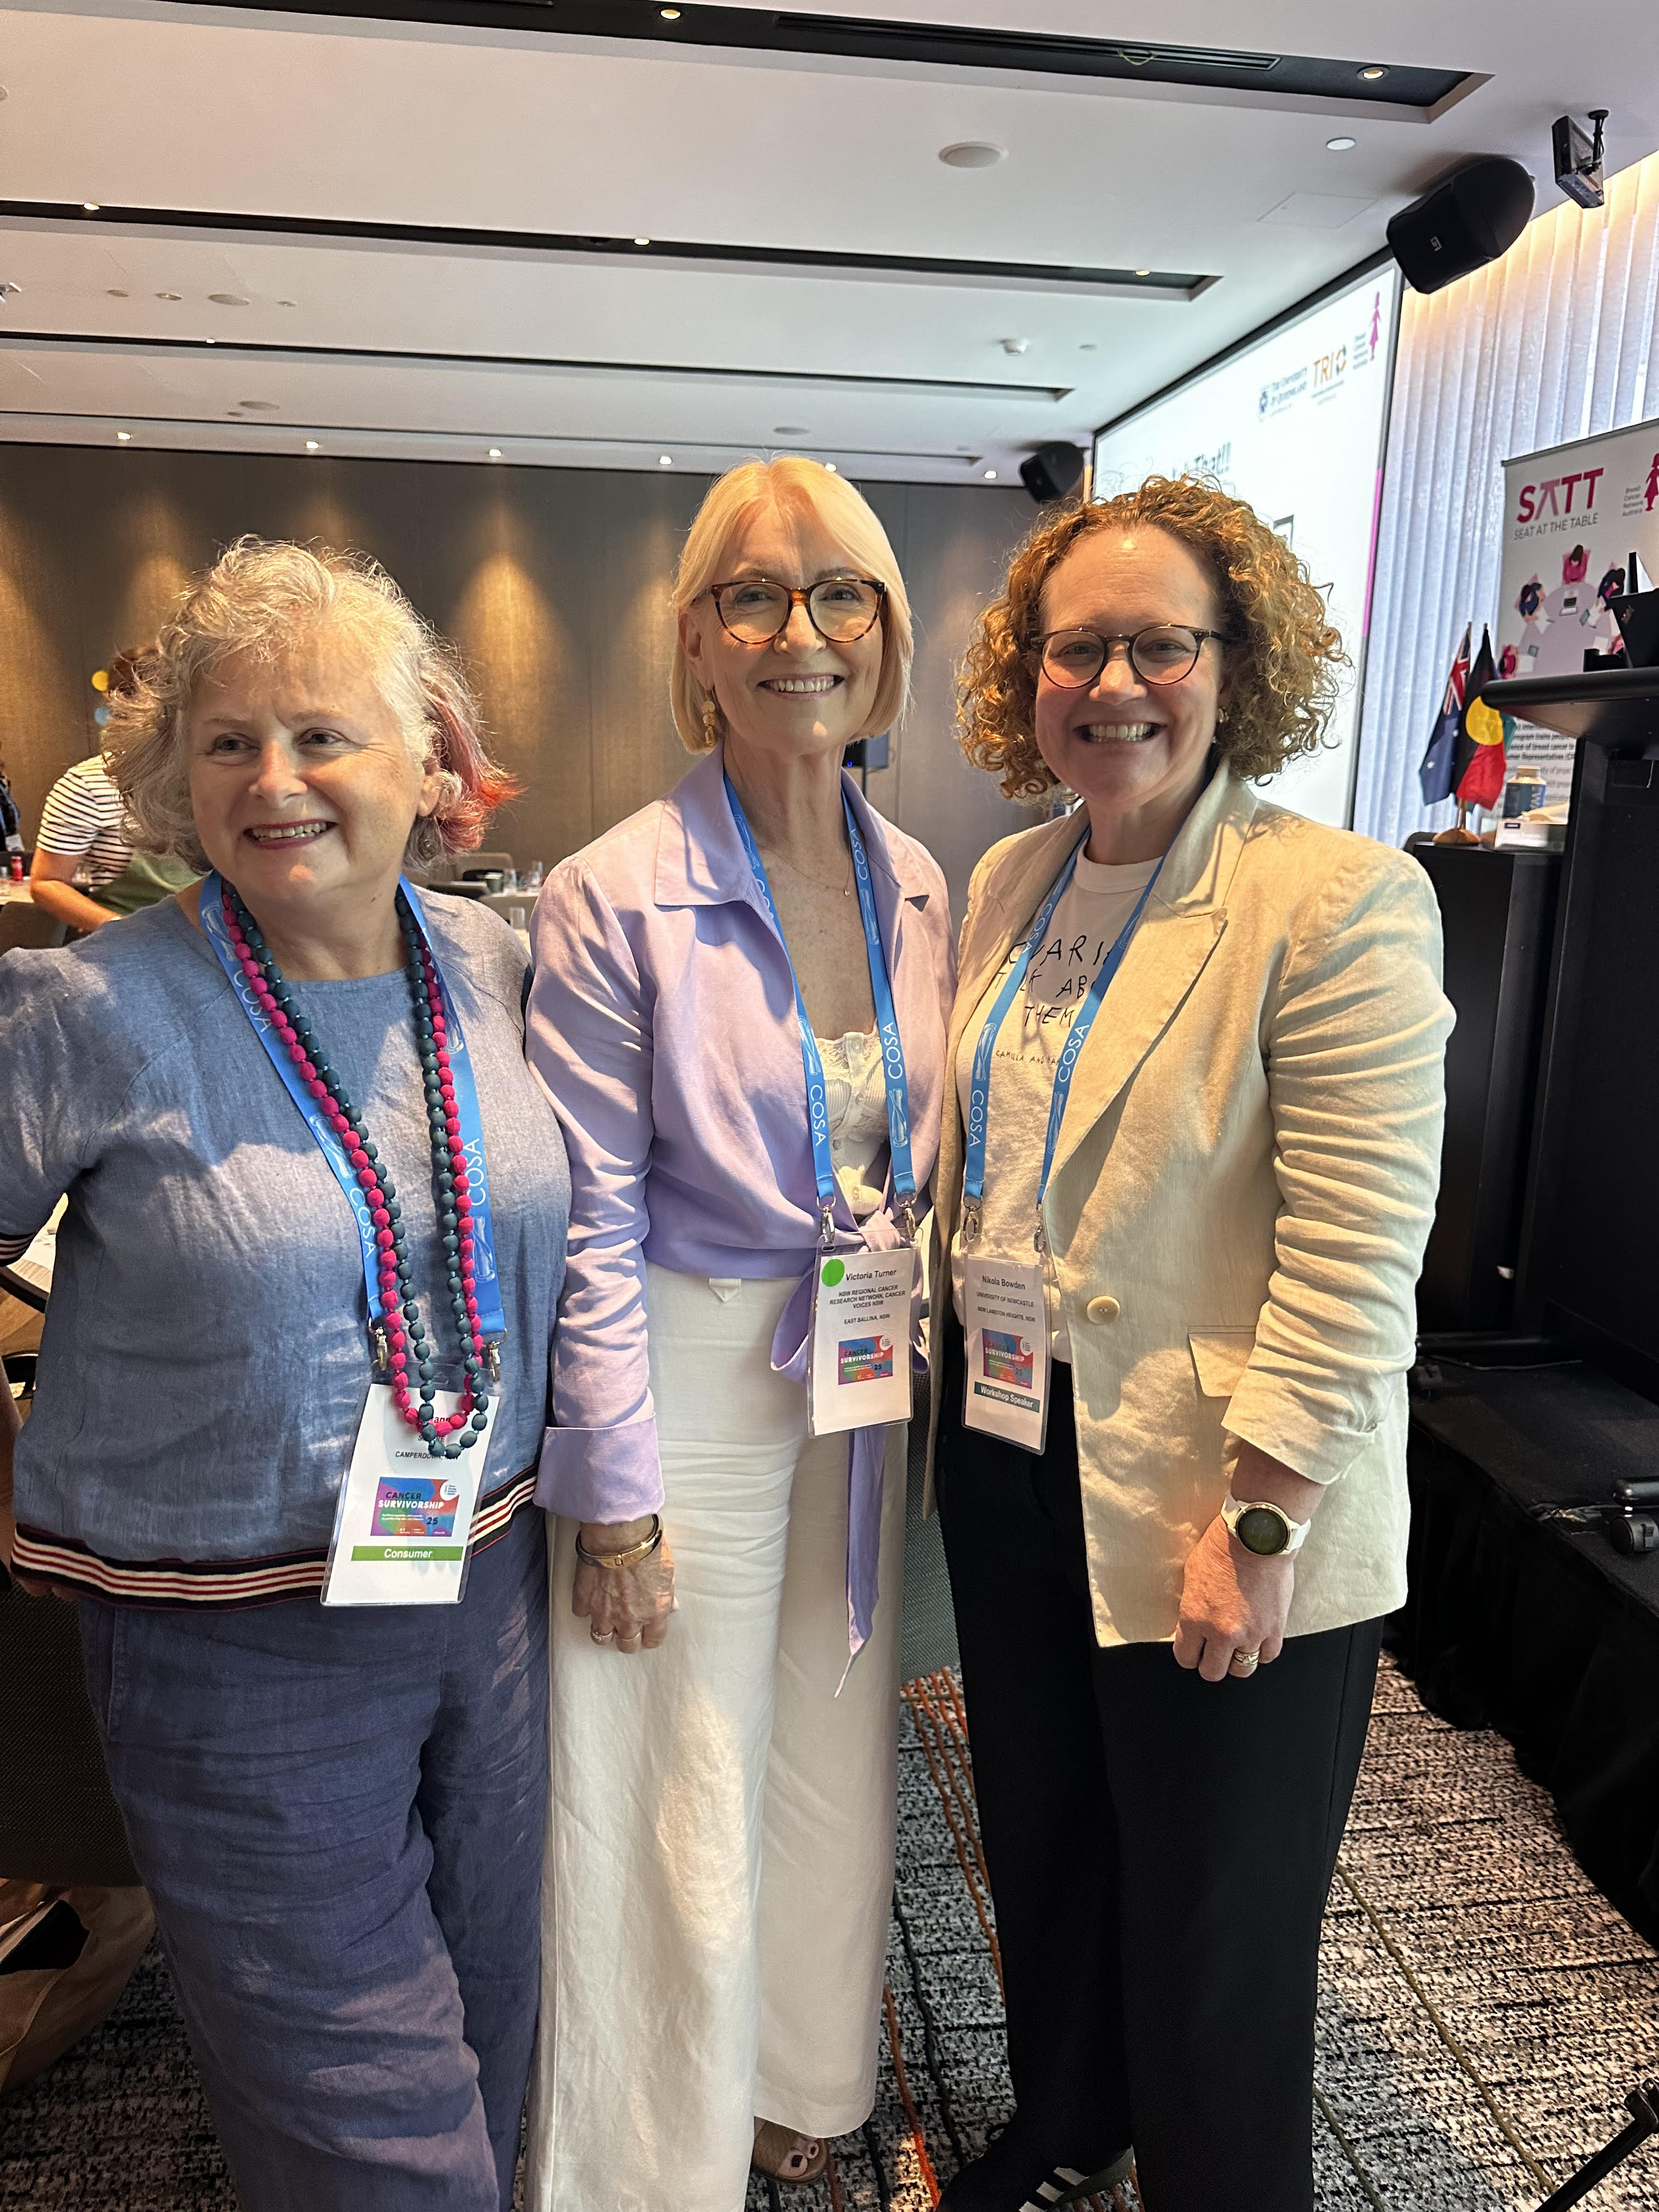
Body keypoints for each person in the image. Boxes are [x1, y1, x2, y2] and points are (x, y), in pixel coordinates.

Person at [0, 538, 569, 2212]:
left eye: (325, 733)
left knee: (493, 2031)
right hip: (227, 1639)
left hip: (486, 1589)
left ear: (431, 761)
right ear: (172, 774)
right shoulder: (94, 1007)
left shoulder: (495, 967)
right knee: (378, 2134)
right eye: (229, 738)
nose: (276, 779)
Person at [929, 478, 1453, 2212]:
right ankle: (1071, 2122)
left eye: (1163, 641)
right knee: (1053, 1840)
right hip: (1012, 1446)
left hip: (1222, 1485)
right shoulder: (1011, 877)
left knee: (1219, 1919)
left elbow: (1360, 1249)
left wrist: (1260, 1519)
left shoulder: (1337, 899)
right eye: (1078, 647)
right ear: (1031, 673)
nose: (1116, 681)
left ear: (1238, 664)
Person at [524, 456, 953, 2209]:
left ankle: (800, 2074)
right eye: (753, 598)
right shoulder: (610, 888)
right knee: (667, 1766)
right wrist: (611, 1498)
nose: (801, 633)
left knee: (834, 1729)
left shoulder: (921, 875)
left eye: (840, 592)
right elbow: (593, 1224)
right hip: (687, 1377)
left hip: (859, 1368)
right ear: (695, 645)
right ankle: (649, 2154)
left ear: (887, 636)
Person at [28, 647, 198, 933]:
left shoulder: (209, 775)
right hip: (127, 938)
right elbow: (47, 883)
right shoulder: (86, 784)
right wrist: (121, 930)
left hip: (216, 936)